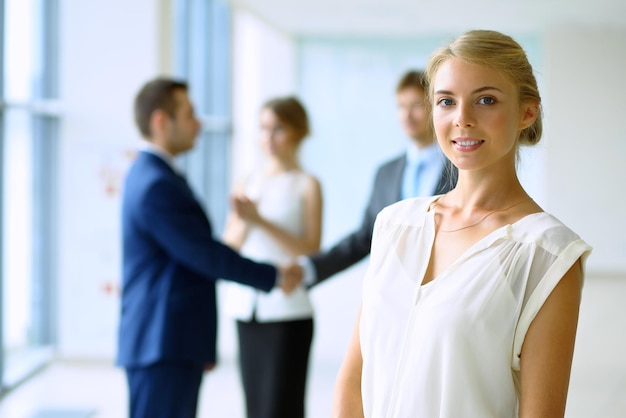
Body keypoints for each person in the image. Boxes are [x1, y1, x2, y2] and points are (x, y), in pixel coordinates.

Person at [331, 29, 593, 418]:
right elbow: (354, 378)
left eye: (486, 100)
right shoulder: (395, 224)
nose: (462, 119)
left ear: (527, 112)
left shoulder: (547, 253)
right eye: (446, 102)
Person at [116, 78, 301, 418]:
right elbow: (202, 253)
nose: (198, 122)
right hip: (162, 343)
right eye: (189, 114)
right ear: (161, 122)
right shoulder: (156, 183)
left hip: (166, 342)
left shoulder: (154, 174)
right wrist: (272, 276)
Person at [299, 70, 456, 287]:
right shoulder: (386, 173)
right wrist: (309, 269)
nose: (407, 115)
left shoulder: (460, 170)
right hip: (392, 290)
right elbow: (366, 237)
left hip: (445, 288)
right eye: (401, 106)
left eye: (416, 105)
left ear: (435, 108)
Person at [221, 96, 323, 418]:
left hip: (288, 309)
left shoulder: (307, 185)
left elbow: (311, 248)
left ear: (297, 133)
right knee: (254, 407)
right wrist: (244, 220)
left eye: (277, 129)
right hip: (247, 309)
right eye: (263, 128)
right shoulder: (247, 181)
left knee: (282, 406)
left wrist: (261, 221)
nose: (267, 137)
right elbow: (230, 245)